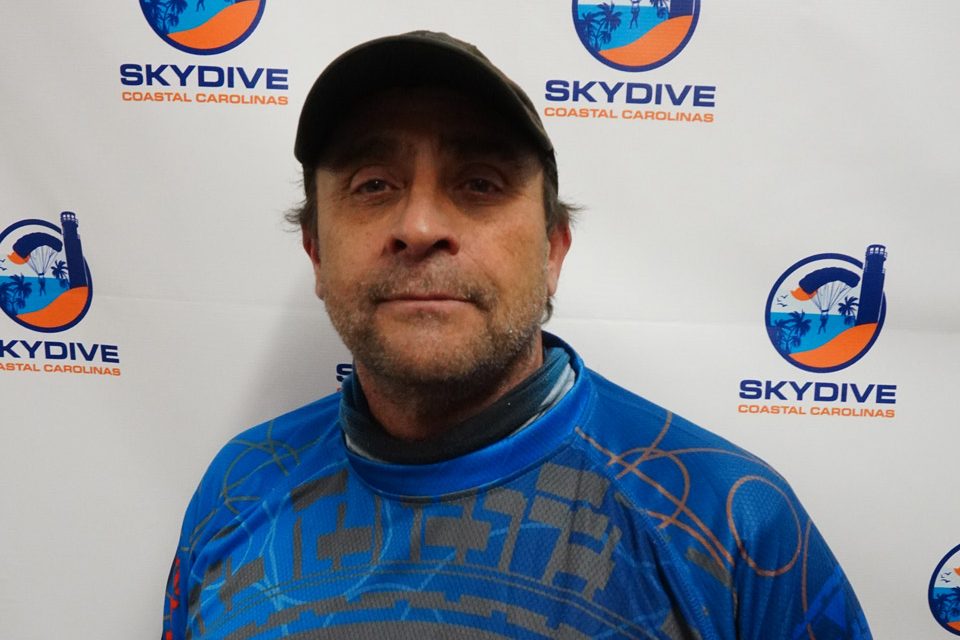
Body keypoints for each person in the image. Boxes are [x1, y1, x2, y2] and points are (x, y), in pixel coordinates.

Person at [162, 31, 871, 639]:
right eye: (374, 184)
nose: (419, 227)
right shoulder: (237, 490)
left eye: (479, 182)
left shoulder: (728, 518)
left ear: (553, 251)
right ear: (316, 251)